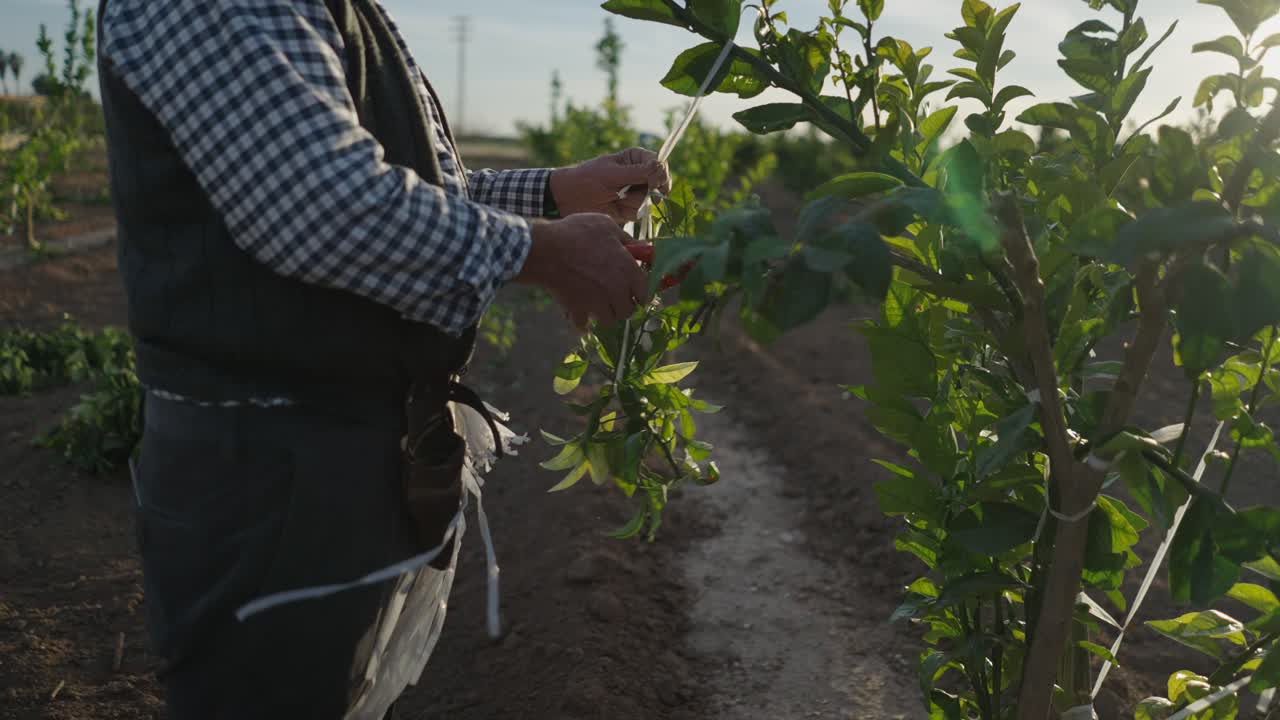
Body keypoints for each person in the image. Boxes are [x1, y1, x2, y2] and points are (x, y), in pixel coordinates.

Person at [95, 0, 670, 717]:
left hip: (321, 452)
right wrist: (544, 251)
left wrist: (552, 193)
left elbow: (394, 182)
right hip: (270, 467)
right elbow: (320, 205)